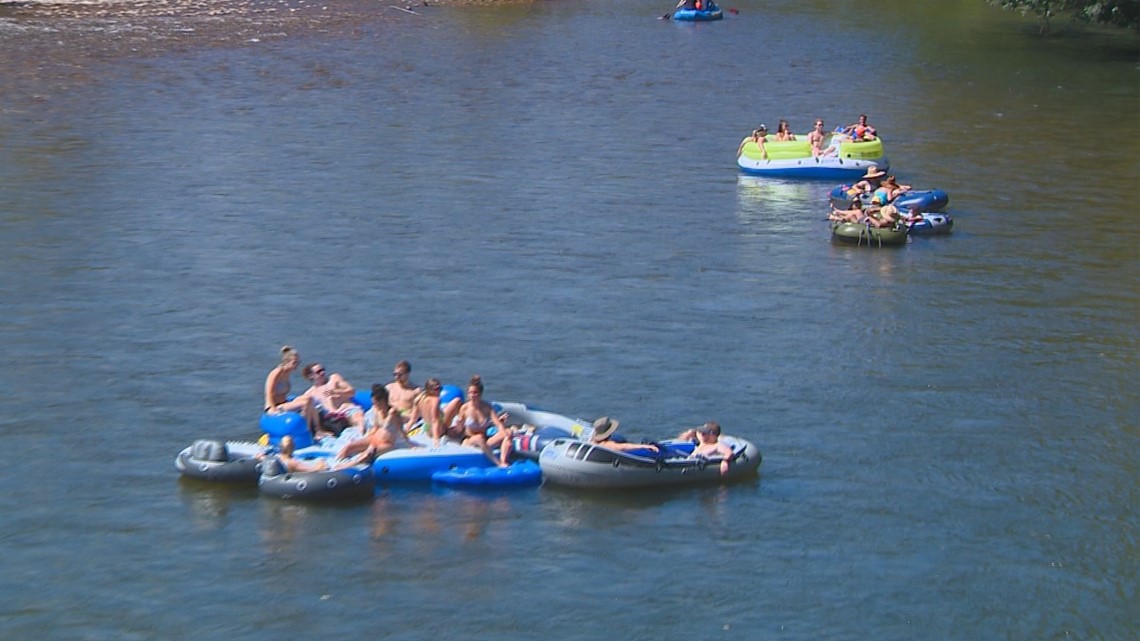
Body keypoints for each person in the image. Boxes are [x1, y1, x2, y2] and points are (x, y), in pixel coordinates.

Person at [338, 384, 413, 461]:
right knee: (348, 447)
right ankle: (337, 463)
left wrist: (409, 443)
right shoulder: (377, 411)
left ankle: (347, 465)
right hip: (374, 438)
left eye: (375, 403)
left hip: (386, 443)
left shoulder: (393, 412)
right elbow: (375, 428)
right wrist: (364, 438)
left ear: (382, 401)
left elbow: (400, 428)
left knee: (368, 453)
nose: (374, 405)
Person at [454, 375, 513, 467]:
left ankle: (503, 460)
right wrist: (459, 424)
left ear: (480, 393)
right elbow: (459, 430)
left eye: (475, 392)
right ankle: (497, 462)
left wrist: (504, 433)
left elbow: (498, 423)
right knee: (479, 438)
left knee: (508, 432)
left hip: (485, 440)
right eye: (470, 393)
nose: (472, 395)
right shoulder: (465, 408)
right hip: (469, 440)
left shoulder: (487, 407)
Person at [264, 346, 321, 434]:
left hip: (284, 402)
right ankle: (306, 431)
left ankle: (318, 430)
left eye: (298, 362)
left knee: (309, 398)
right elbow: (269, 392)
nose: (297, 365)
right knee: (305, 403)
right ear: (287, 362)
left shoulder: (287, 373)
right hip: (275, 406)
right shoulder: (277, 372)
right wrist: (272, 408)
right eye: (295, 362)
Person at [302, 362, 364, 438]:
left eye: (323, 370)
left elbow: (352, 391)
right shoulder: (310, 393)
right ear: (311, 376)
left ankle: (362, 437)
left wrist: (337, 391)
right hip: (331, 418)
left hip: (347, 409)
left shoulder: (334, 379)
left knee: (358, 418)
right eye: (318, 372)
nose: (322, 373)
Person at [406, 377, 465, 447]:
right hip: (439, 431)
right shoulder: (435, 400)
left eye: (440, 388)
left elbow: (413, 420)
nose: (440, 391)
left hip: (427, 429)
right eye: (437, 389)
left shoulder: (419, 399)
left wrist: (404, 434)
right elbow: (435, 421)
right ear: (430, 390)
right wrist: (436, 441)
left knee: (455, 402)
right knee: (457, 401)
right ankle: (461, 420)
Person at [274, 435, 370, 473]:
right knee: (337, 467)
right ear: (292, 447)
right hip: (313, 472)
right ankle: (359, 460)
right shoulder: (292, 462)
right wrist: (321, 464)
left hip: (303, 466)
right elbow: (313, 470)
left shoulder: (278, 457)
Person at [589, 417, 658, 453]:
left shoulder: (591, 442)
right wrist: (645, 446)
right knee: (646, 440)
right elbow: (624, 446)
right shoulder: (607, 444)